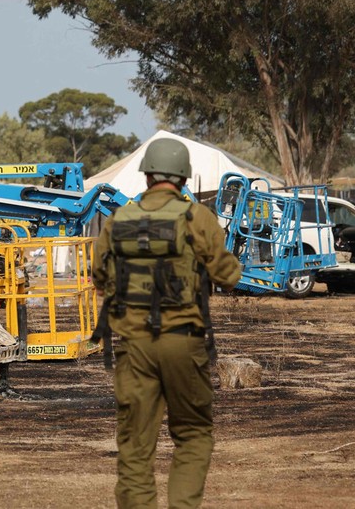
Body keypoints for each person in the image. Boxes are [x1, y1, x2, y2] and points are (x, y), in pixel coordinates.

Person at [91, 138, 242, 509]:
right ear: (183, 178)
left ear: (146, 176)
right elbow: (228, 276)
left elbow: (99, 278)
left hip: (133, 346)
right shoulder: (197, 218)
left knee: (135, 447)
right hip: (183, 342)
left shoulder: (118, 220)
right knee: (192, 435)